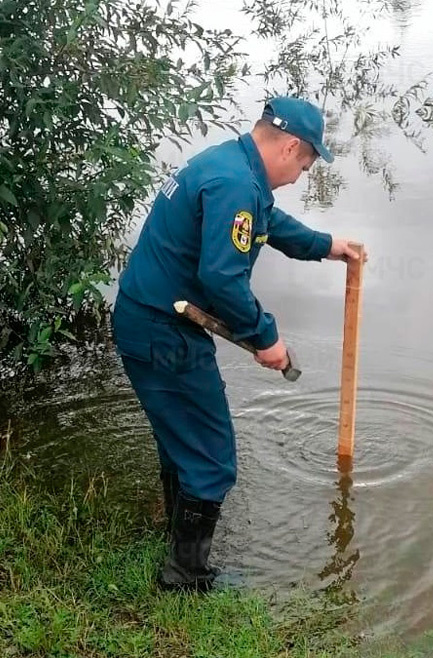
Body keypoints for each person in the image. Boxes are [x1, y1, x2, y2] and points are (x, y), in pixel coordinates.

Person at [112, 95, 366, 593]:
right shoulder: (234, 185)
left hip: (145, 318)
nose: (302, 174)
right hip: (165, 331)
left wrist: (327, 245)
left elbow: (268, 224)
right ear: (291, 146)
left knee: (182, 443)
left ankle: (178, 546)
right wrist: (266, 337)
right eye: (308, 162)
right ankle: (186, 577)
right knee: (212, 457)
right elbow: (222, 279)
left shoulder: (229, 164)